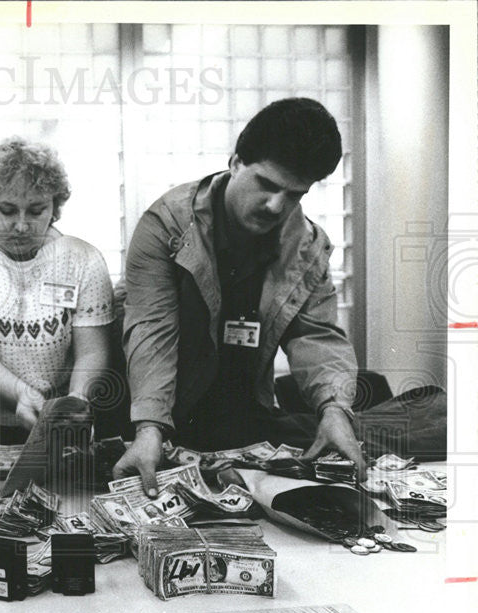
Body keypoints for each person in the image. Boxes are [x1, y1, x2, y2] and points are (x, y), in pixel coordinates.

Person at [114, 98, 365, 495]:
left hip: (235, 401)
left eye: (294, 195)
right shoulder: (165, 225)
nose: (275, 206)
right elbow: (151, 332)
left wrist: (335, 410)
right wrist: (148, 428)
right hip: (148, 399)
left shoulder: (310, 246)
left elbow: (316, 338)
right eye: (266, 184)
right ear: (235, 163)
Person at [0, 137, 115, 446]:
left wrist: (76, 401)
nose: (20, 226)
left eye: (35, 211)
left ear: (54, 208)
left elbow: (93, 349)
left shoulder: (84, 260)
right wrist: (19, 393)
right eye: (7, 210)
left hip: (56, 408)